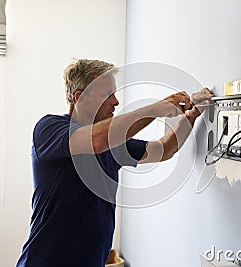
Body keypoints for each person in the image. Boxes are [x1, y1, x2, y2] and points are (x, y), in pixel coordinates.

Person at [16, 59, 214, 267]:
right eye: (107, 95)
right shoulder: (49, 129)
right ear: (80, 98)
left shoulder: (114, 144)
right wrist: (156, 109)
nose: (116, 102)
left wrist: (193, 114)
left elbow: (164, 149)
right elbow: (96, 140)